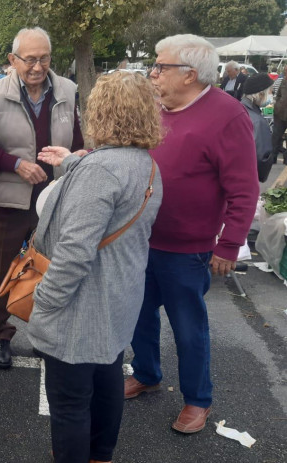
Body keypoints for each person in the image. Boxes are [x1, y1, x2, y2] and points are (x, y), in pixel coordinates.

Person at [126, 34, 259, 434]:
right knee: (137, 315)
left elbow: (244, 188)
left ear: (189, 74)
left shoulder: (227, 115)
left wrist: (230, 244)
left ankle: (197, 399)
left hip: (188, 249)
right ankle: (147, 374)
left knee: (188, 328)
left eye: (159, 66)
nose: (153, 73)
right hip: (141, 238)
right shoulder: (156, 108)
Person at [29, 71, 163, 463]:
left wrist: (45, 301)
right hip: (119, 296)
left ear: (101, 113)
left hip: (82, 305)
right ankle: (100, 455)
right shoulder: (145, 164)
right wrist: (73, 161)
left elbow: (74, 252)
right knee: (107, 379)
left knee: (70, 404)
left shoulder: (101, 170)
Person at [0, 27, 83, 369]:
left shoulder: (69, 91)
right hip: (8, 201)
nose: (38, 67)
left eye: (44, 58)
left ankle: (44, 333)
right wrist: (15, 164)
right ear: (13, 60)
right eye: (30, 59)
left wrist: (72, 157)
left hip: (54, 200)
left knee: (51, 272)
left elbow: (80, 142)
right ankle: (0, 333)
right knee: (1, 271)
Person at [240, 73, 275, 182]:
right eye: (270, 92)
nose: (272, 95)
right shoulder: (258, 122)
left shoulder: (237, 108)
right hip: (245, 179)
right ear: (260, 94)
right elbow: (262, 159)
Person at [272, 71, 287, 164]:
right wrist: (278, 104)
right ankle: (272, 157)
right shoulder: (283, 81)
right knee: (276, 136)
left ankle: (286, 159)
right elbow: (278, 95)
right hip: (280, 113)